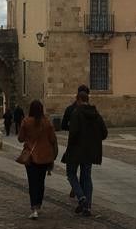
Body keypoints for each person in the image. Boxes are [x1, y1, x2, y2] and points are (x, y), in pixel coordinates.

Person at [61, 87, 108, 217]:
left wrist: (70, 148)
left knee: (71, 174)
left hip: (76, 150)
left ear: (78, 100)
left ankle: (81, 197)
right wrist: (94, 139)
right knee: (86, 177)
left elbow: (73, 133)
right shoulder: (96, 114)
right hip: (90, 151)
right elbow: (104, 133)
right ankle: (87, 207)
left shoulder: (76, 113)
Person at [17, 99, 58, 219]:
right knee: (41, 182)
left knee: (32, 182)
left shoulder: (26, 122)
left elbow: (20, 138)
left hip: (31, 157)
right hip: (45, 157)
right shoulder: (47, 123)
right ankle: (38, 205)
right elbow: (53, 139)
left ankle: (34, 207)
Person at [61, 86, 84, 199]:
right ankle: (84, 198)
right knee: (85, 174)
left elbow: (63, 125)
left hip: (74, 145)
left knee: (71, 173)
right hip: (87, 147)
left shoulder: (70, 109)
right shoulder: (93, 111)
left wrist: (71, 127)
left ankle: (78, 191)